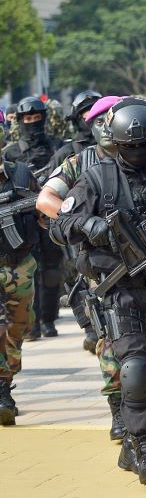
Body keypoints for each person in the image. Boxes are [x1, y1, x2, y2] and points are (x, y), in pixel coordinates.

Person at [49, 99, 146, 485]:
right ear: (117, 142)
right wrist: (89, 225)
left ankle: (132, 444)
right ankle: (143, 445)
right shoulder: (96, 178)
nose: (139, 153)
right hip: (119, 288)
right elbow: (60, 224)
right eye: (131, 146)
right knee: (135, 366)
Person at [4, 97, 66, 340]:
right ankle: (34, 322)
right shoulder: (10, 152)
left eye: (36, 118)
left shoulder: (58, 147)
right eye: (27, 119)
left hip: (50, 216)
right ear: (20, 121)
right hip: (20, 220)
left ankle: (48, 319)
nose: (32, 122)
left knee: (51, 270)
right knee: (28, 270)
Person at [0, 152, 41, 426]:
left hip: (19, 265)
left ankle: (6, 380)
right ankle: (2, 391)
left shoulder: (22, 174)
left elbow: (44, 210)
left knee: (18, 326)